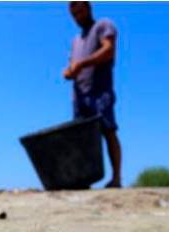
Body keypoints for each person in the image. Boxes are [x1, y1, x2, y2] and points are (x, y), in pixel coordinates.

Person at [63, 1, 122, 188]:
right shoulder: (75, 40)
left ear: (88, 8)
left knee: (108, 131)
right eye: (73, 15)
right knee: (81, 138)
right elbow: (72, 64)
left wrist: (81, 65)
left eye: (79, 12)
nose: (77, 17)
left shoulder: (103, 25)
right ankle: (84, 180)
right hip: (80, 95)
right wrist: (69, 71)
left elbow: (108, 50)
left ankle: (116, 178)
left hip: (100, 90)